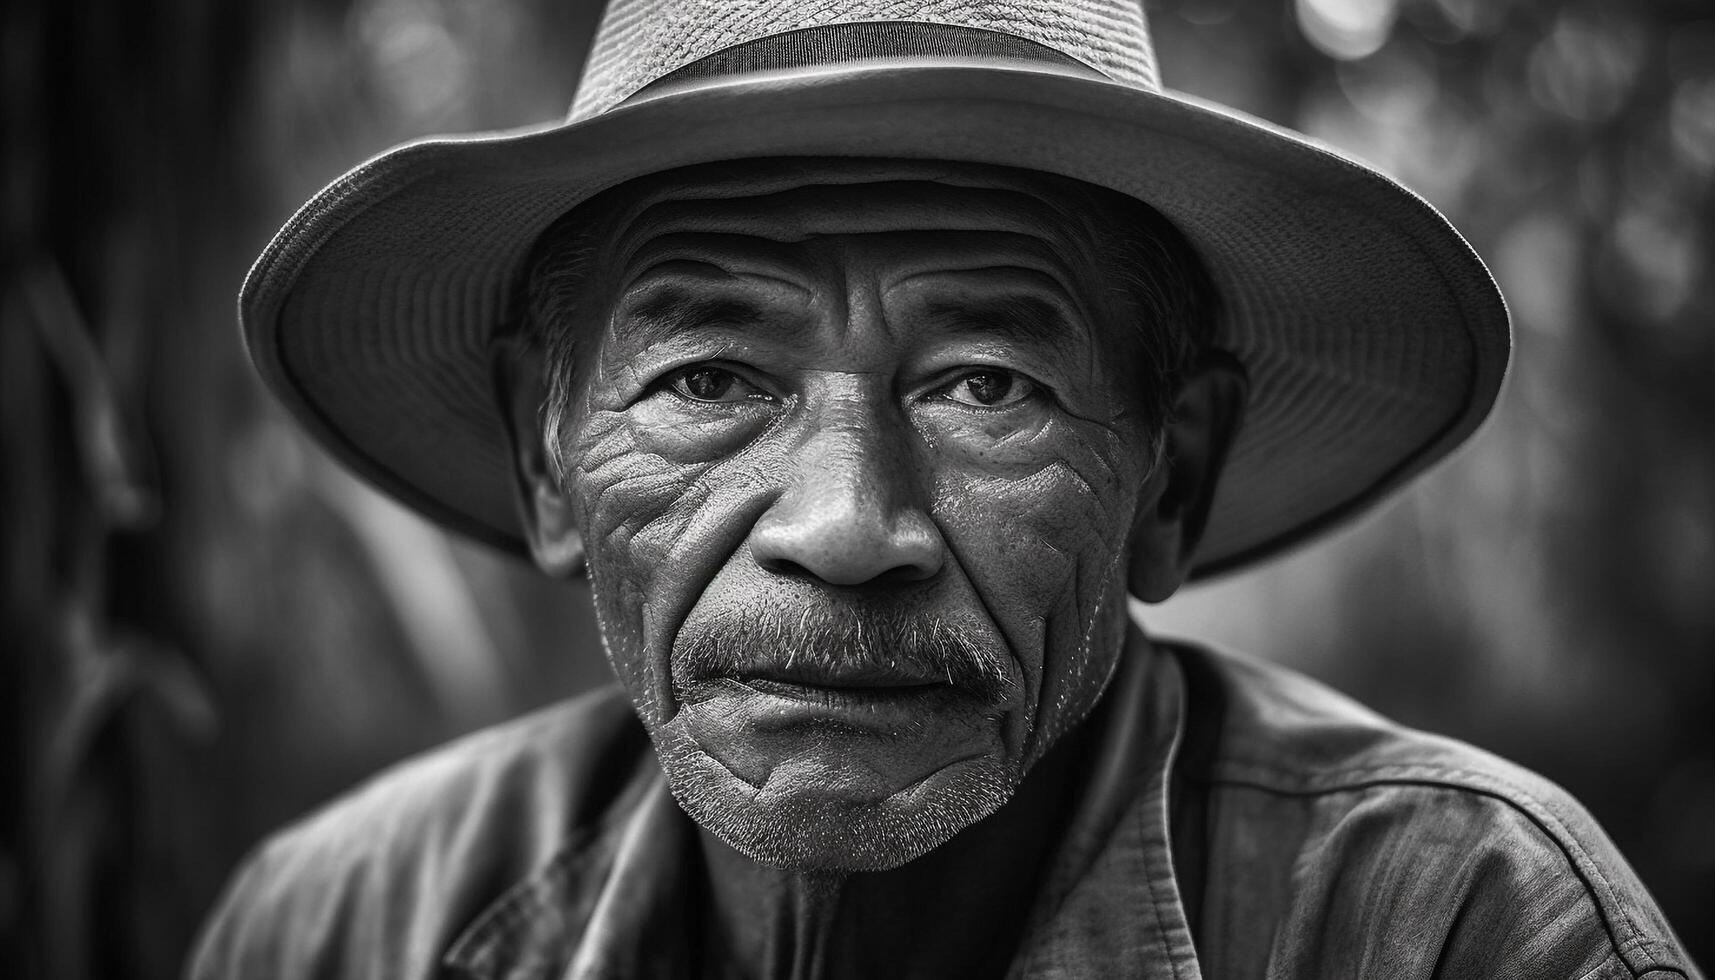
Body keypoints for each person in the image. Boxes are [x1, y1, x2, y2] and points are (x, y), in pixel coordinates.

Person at [191, 2, 1702, 978]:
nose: (846, 530)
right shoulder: (337, 927)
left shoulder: (1455, 928)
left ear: (1169, 478)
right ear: (544, 451)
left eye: (988, 385)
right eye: (712, 379)